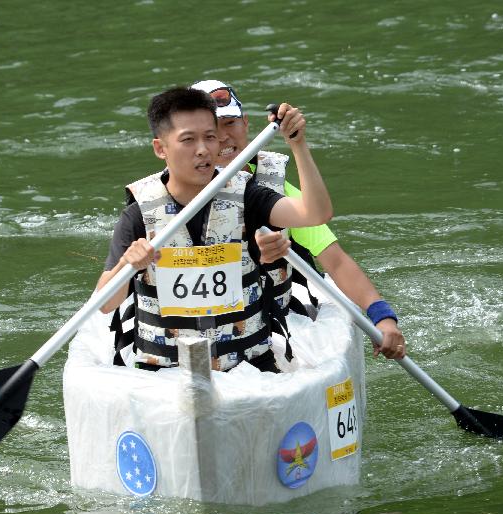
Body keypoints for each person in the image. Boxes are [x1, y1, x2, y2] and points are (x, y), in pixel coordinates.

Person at [97, 86, 333, 373]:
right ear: (161, 148)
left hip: (249, 367)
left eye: (210, 137)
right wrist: (127, 263)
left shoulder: (248, 195)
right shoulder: (138, 214)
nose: (203, 149)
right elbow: (106, 304)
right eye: (188, 140)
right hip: (163, 375)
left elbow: (316, 213)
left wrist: (298, 144)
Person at [190, 80, 407, 360]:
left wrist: (382, 315)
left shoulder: (275, 194)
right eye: (210, 132)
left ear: (245, 124)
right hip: (198, 324)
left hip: (268, 317)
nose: (222, 138)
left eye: (229, 123)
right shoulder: (167, 198)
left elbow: (335, 260)